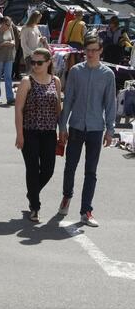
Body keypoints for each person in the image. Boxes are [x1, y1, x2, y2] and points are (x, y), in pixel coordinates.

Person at [58, 36, 116, 227]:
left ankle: (86, 210)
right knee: (70, 166)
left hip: (96, 128)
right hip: (76, 126)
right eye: (87, 50)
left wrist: (110, 129)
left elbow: (110, 103)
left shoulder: (108, 74)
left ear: (100, 51)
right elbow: (68, 100)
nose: (90, 53)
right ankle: (67, 197)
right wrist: (63, 126)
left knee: (91, 171)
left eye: (94, 50)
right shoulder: (75, 71)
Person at [14, 48, 62, 222]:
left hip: (49, 132)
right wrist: (20, 134)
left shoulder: (55, 81)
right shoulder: (27, 81)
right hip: (30, 132)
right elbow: (18, 110)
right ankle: (35, 206)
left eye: (39, 62)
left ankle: (31, 192)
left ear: (49, 62)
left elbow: (58, 109)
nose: (35, 66)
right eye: (32, 62)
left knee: (48, 170)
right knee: (33, 169)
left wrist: (62, 129)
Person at [20, 10, 49, 75]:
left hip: (37, 54)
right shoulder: (25, 28)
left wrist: (41, 39)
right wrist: (31, 53)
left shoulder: (36, 27)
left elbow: (37, 38)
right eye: (39, 19)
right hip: (29, 56)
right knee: (30, 75)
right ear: (34, 18)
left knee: (36, 75)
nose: (39, 20)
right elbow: (23, 44)